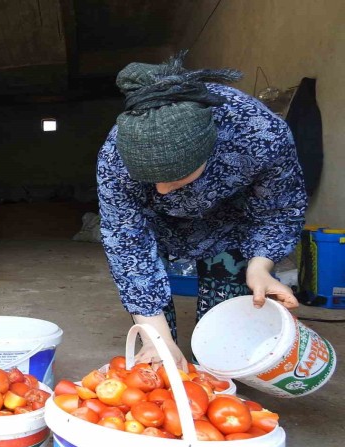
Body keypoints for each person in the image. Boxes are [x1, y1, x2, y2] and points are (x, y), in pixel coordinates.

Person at [97, 53, 307, 368]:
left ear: (209, 147)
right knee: (158, 347)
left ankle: (217, 376)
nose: (162, 190)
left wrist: (260, 264)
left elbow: (278, 208)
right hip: (158, 224)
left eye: (174, 178)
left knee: (226, 341)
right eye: (150, 180)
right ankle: (161, 354)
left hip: (229, 223)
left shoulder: (258, 133)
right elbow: (127, 244)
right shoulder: (114, 159)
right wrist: (157, 339)